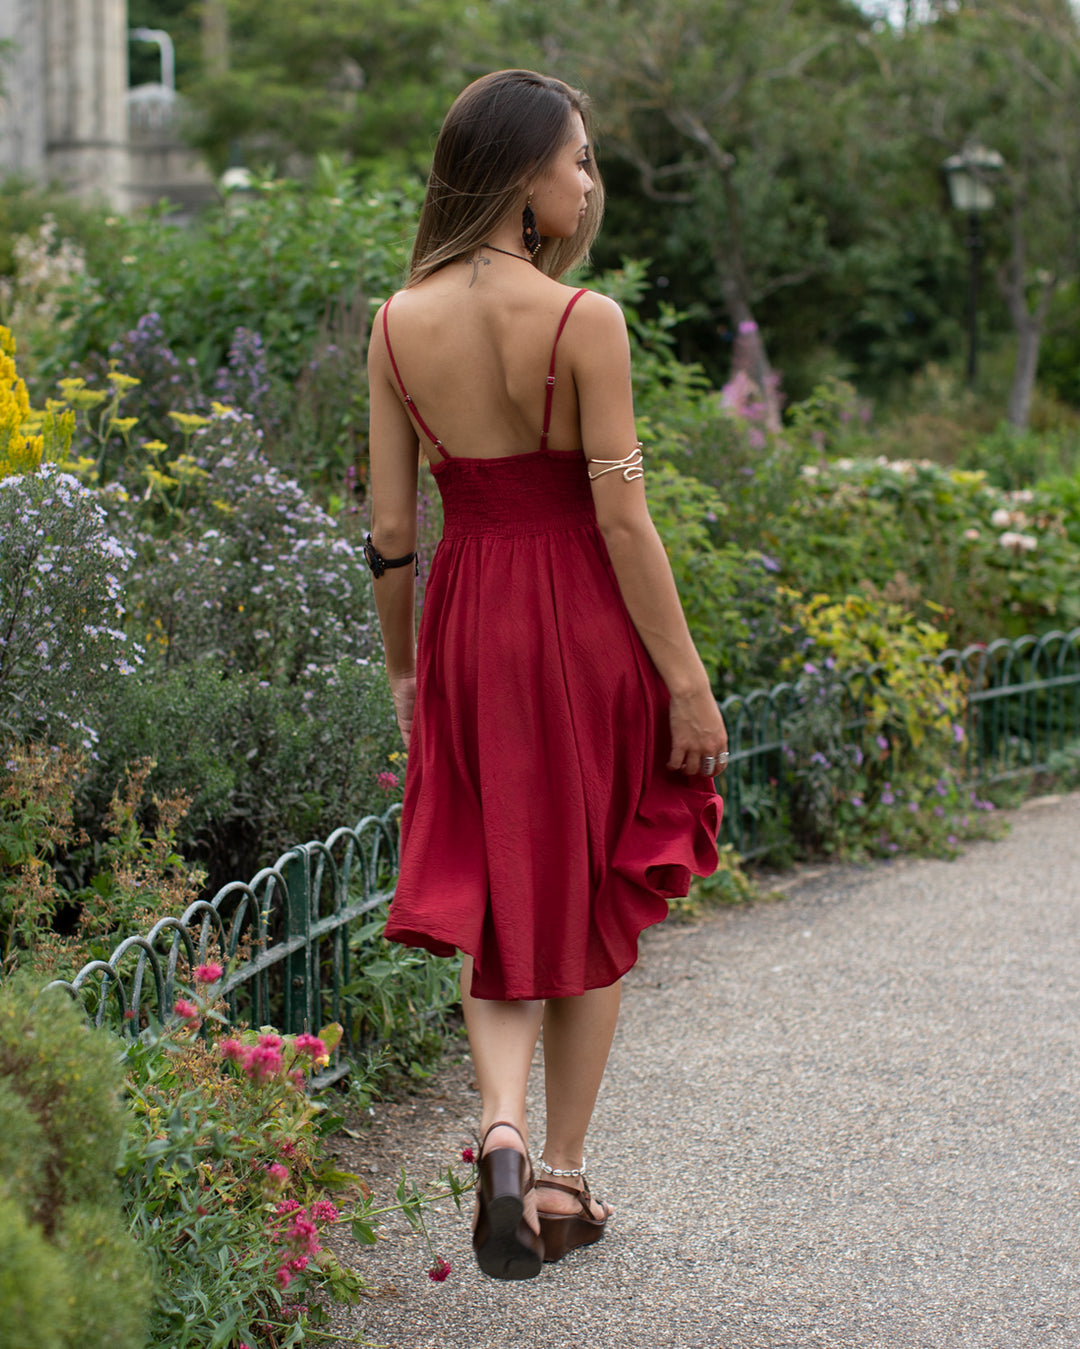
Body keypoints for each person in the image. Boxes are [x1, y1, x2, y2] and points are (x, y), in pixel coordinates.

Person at [365, 69, 728, 1281]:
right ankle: (563, 1172)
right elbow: (624, 524)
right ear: (524, 173)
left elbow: (390, 530)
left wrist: (412, 675)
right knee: (585, 884)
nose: (590, 184)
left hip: (468, 619)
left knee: (496, 886)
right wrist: (685, 681)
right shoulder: (584, 320)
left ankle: (502, 1127)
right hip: (578, 621)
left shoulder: (395, 320)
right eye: (578, 160)